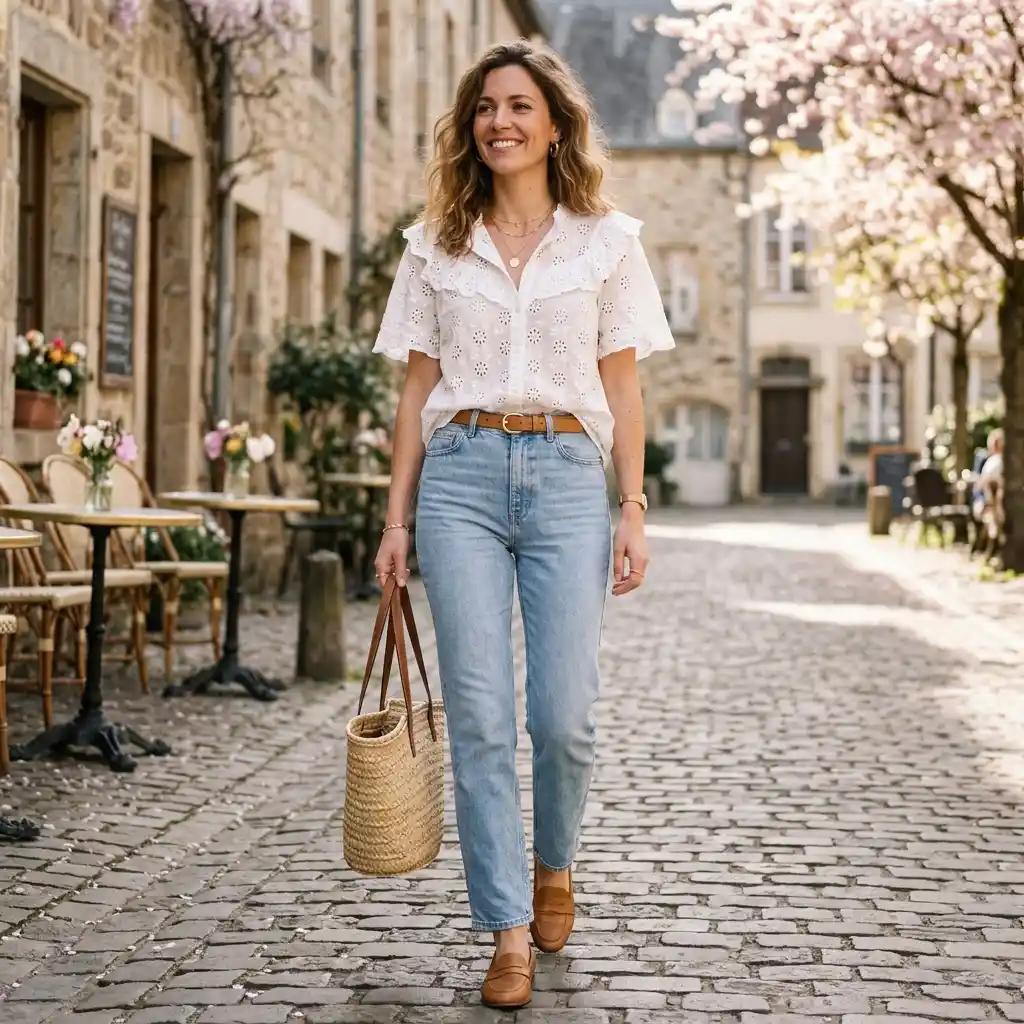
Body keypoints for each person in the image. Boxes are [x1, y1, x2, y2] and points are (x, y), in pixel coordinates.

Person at [371, 40, 674, 1009]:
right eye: (485, 108)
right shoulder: (435, 244)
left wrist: (632, 506)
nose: (498, 122)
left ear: (553, 125)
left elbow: (623, 386)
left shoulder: (605, 243)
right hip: (459, 474)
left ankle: (556, 863)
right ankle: (506, 928)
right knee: (478, 714)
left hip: (569, 475)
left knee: (564, 715)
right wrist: (395, 518)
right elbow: (416, 386)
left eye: (518, 106)